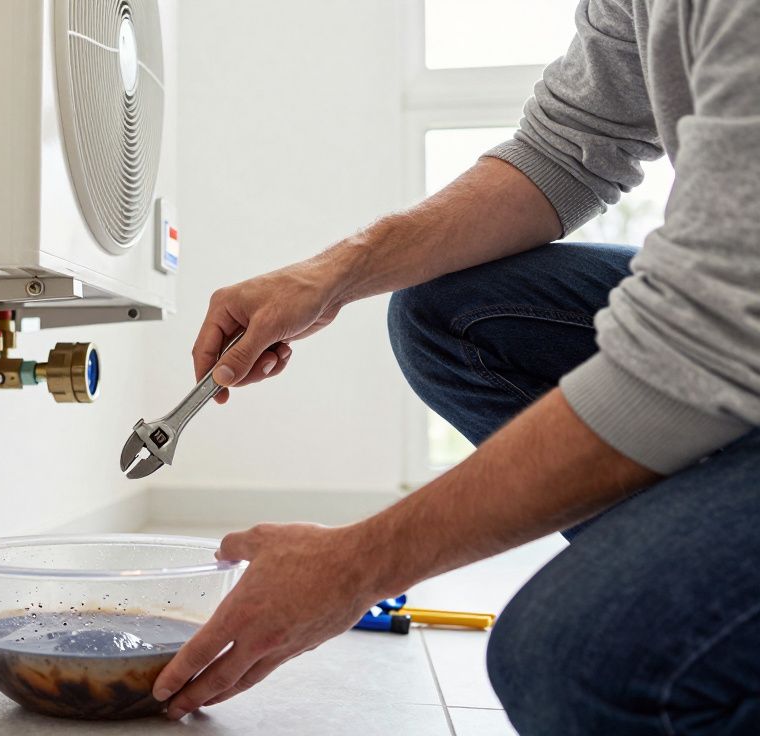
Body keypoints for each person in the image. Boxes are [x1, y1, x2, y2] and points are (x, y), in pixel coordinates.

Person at [150, 1, 760, 732]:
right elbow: (567, 149)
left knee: (571, 661)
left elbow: (699, 342)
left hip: (730, 320)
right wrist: (333, 274)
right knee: (449, 314)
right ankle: (697, 583)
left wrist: (355, 565)